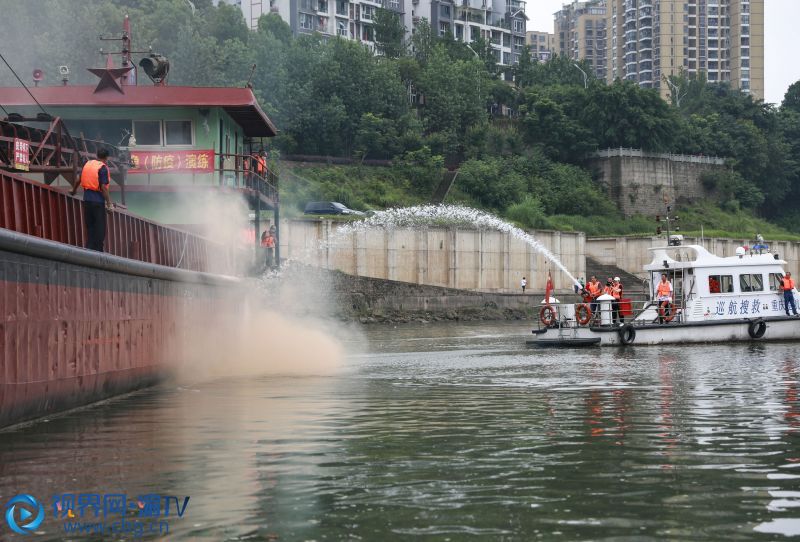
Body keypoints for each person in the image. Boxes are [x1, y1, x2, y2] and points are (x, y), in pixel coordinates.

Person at [70, 148, 113, 252]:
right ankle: (98, 252)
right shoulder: (102, 168)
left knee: (90, 227)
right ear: (106, 158)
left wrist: (73, 190)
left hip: (87, 200)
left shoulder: (87, 164)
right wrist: (109, 204)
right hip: (98, 201)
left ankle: (89, 249)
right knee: (100, 228)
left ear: (97, 155)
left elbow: (79, 179)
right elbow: (103, 187)